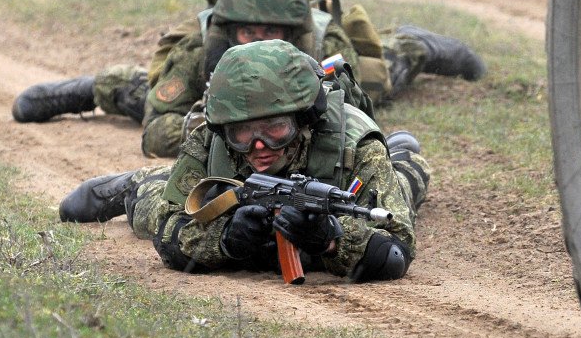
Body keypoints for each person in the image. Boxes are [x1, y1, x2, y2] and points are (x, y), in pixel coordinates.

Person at [12, 0, 485, 158]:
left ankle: (416, 42)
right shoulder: (202, 51)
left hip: (303, 97)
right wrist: (223, 131)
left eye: (272, 34)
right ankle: (91, 87)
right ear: (228, 29)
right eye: (248, 33)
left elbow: (351, 124)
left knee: (387, 71)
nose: (259, 42)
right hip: (215, 103)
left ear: (292, 33)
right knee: (139, 92)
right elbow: (158, 130)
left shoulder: (321, 49)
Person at [57, 39, 430, 281]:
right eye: (242, 134)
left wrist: (331, 238)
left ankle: (403, 155)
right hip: (228, 194)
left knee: (402, 184)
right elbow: (169, 229)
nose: (259, 146)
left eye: (275, 129)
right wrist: (227, 239)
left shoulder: (356, 147)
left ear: (303, 119)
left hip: (345, 182)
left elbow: (396, 250)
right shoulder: (209, 140)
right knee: (150, 204)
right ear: (224, 130)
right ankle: (134, 183)